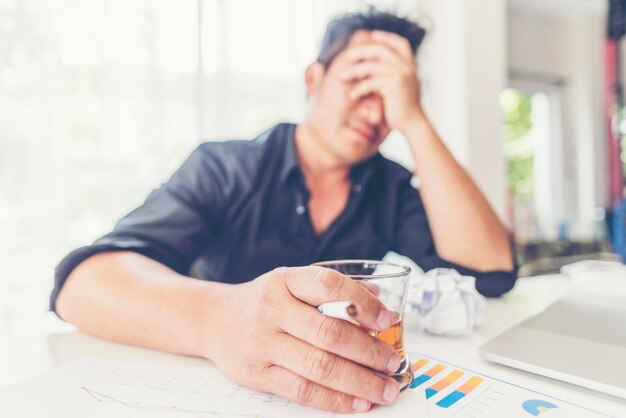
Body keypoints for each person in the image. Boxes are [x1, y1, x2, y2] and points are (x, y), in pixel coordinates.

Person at [51, 10, 516, 414]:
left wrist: (414, 119)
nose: (376, 113)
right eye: (360, 82)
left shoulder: (389, 185)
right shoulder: (225, 168)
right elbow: (82, 285)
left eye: (393, 94)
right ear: (314, 79)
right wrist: (219, 319)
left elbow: (491, 271)